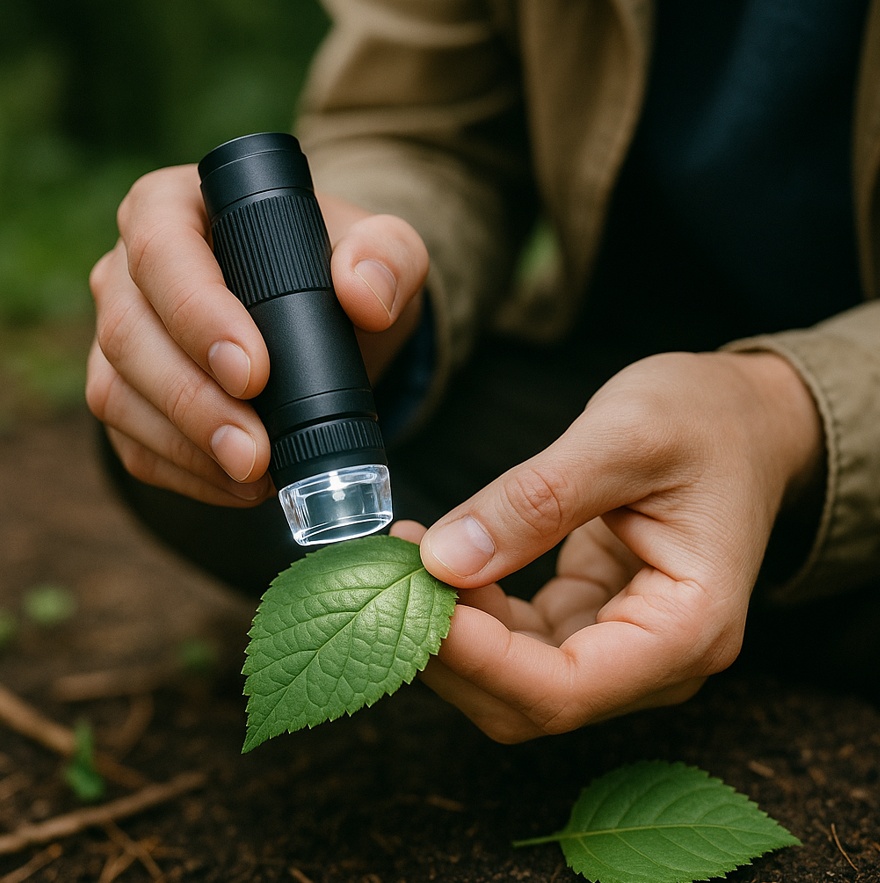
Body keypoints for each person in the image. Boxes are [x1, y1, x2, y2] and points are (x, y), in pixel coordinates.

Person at [87, 1, 880, 743]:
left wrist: (785, 415)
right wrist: (365, 276)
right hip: (618, 387)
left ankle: (734, 598)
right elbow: (420, 124)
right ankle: (740, 601)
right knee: (175, 426)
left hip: (844, 391)